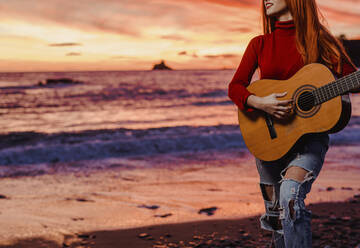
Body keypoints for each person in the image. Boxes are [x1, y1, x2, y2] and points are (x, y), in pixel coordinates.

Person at [228, 0, 358, 247]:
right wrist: (260, 102)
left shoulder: (319, 40)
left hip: (309, 142)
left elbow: (353, 79)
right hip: (269, 143)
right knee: (277, 219)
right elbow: (235, 87)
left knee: (291, 196)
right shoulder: (260, 43)